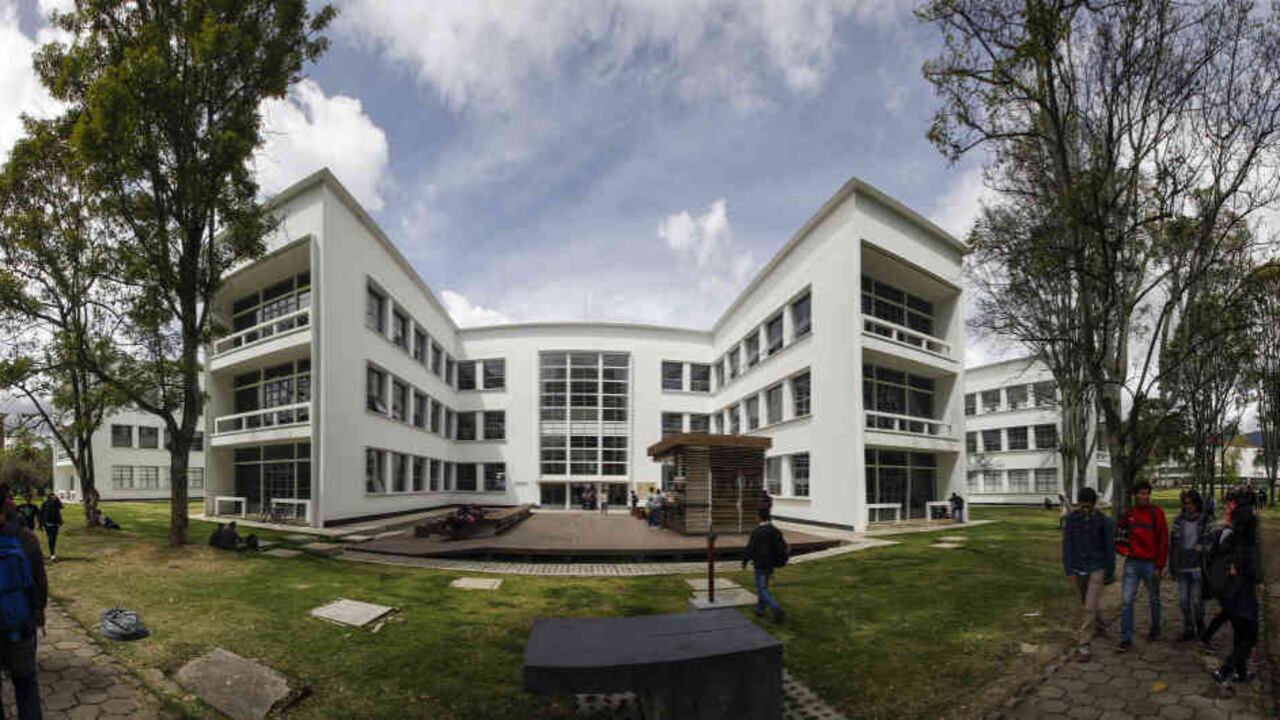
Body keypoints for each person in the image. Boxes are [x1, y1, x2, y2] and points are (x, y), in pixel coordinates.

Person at [0, 489, 48, 719]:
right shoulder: (25, 538)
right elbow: (39, 581)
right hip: (20, 626)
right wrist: (39, 611)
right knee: (26, 684)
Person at [1206, 494, 1261, 684]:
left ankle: (1241, 673)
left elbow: (1216, 556)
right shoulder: (1250, 546)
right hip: (1244, 597)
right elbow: (1256, 574)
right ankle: (1225, 669)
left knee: (1240, 635)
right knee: (1250, 637)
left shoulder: (1229, 539)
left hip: (1229, 596)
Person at [1062, 487, 1115, 662]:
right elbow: (1067, 545)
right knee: (1086, 602)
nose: (1085, 510)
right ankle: (1099, 625)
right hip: (1079, 568)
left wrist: (1110, 572)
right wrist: (1069, 569)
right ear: (1078, 504)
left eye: (1089, 507)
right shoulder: (1071, 519)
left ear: (1094, 504)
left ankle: (1084, 644)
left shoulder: (1103, 521)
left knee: (1089, 606)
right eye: (1082, 506)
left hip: (1097, 567)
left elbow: (1109, 547)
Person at [1115, 480, 1169, 652]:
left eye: (1147, 494)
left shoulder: (1156, 513)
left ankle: (1155, 629)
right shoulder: (1129, 514)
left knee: (1154, 599)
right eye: (1141, 494)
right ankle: (1125, 638)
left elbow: (1163, 540)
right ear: (1135, 495)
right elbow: (1119, 534)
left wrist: (1160, 566)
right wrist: (1123, 550)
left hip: (1151, 564)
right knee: (1126, 601)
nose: (1144, 497)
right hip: (1132, 563)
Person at [1169, 489, 1212, 641]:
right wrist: (1172, 567)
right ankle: (1188, 627)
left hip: (1198, 566)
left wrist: (1204, 548)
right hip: (1182, 566)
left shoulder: (1205, 519)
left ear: (1197, 503)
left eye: (1191, 503)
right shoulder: (1178, 520)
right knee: (1183, 601)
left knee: (1197, 601)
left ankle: (1200, 626)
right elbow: (1173, 545)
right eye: (1186, 503)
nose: (1188, 506)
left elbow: (1211, 542)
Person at [742, 508, 788, 622]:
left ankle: (776, 608)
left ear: (759, 517)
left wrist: (745, 560)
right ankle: (760, 610)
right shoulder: (775, 530)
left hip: (761, 564)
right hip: (771, 564)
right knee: (763, 587)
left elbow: (750, 548)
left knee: (761, 590)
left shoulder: (757, 532)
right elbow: (782, 546)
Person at [38, 493, 64, 562]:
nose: (53, 497)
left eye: (54, 496)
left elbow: (61, 507)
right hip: (48, 523)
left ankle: (52, 553)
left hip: (56, 523)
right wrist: (40, 524)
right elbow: (41, 513)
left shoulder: (57, 502)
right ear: (49, 497)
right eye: (52, 496)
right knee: (51, 538)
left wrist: (57, 499)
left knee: (54, 539)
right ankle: (52, 555)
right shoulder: (45, 503)